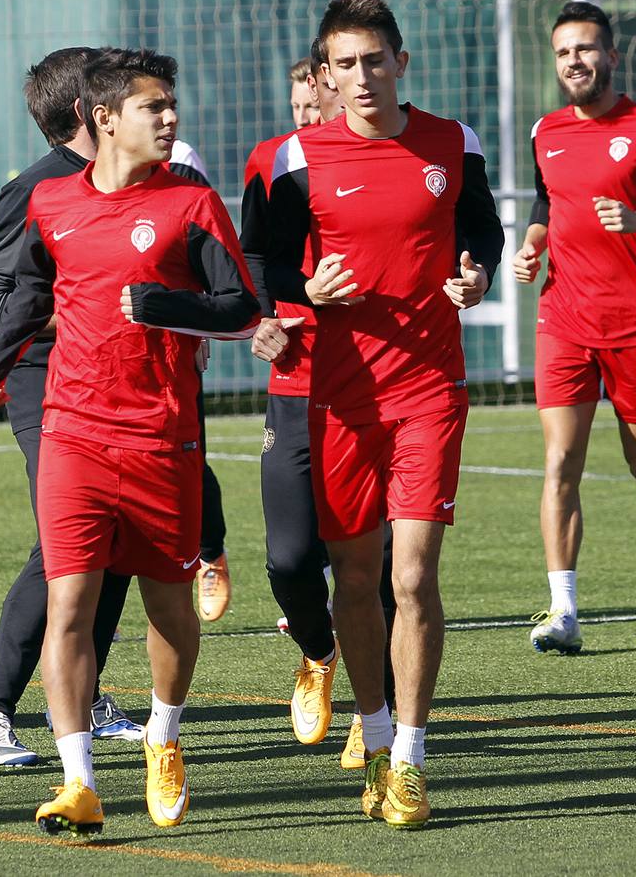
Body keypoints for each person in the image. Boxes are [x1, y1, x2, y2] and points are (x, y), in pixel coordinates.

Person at [0, 47, 259, 835]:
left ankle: (163, 738)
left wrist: (167, 305)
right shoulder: (49, 203)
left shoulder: (192, 203)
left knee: (169, 607)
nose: (170, 118)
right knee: (70, 599)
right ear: (104, 120)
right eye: (153, 106)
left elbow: (240, 306)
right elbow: (24, 297)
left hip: (161, 437)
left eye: (171, 105)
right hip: (72, 430)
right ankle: (78, 781)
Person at [250, 0, 502, 829]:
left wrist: (476, 278)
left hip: (429, 389)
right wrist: (300, 290)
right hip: (339, 400)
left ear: (401, 61)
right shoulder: (294, 159)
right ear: (325, 75)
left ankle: (409, 760)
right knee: (353, 581)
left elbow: (482, 237)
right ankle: (373, 722)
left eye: (373, 60)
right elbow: (265, 264)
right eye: (344, 65)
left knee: (411, 575)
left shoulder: (450, 142)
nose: (361, 77)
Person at [0, 46, 143, 766]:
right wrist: (70, 314)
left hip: (120, 384)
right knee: (66, 544)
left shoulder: (133, 185)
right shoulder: (37, 189)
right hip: (48, 384)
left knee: (122, 537)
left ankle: (83, 693)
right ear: (87, 112)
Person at [510, 1, 636, 653]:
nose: (575, 61)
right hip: (562, 317)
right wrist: (532, 242)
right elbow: (547, 199)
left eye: (586, 49)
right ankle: (562, 609)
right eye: (564, 51)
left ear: (611, 56)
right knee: (558, 460)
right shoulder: (545, 131)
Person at [244, 48, 396, 765]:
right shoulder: (271, 162)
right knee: (288, 557)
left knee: (379, 568)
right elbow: (250, 261)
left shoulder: (382, 159)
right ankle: (316, 650)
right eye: (299, 108)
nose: (307, 120)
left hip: (374, 389)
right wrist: (259, 319)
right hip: (293, 387)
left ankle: (378, 710)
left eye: (318, 106)